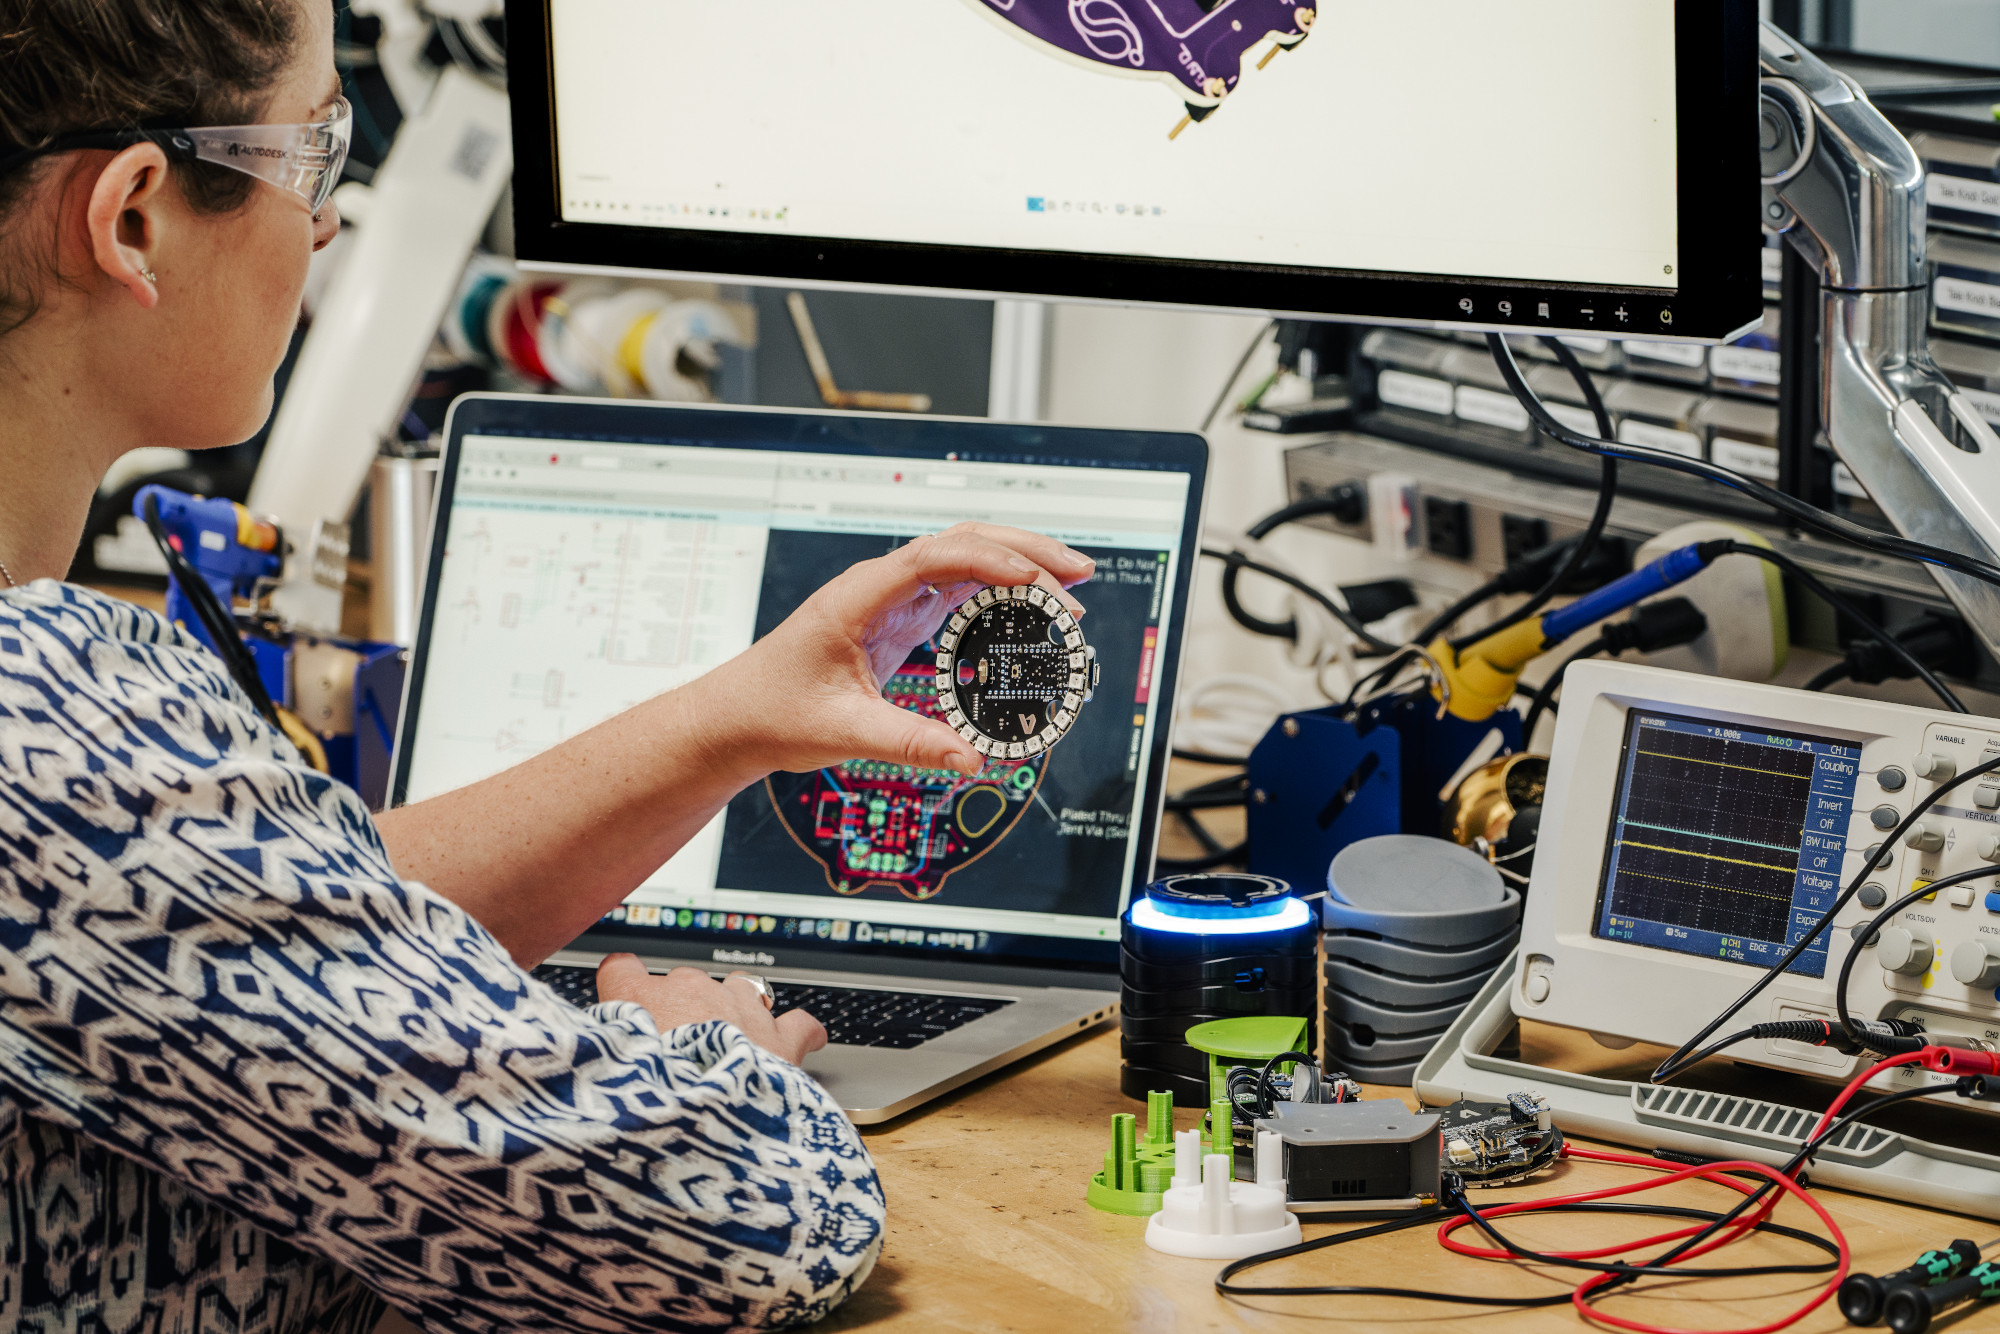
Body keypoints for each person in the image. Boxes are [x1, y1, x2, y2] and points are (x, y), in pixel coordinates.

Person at [0, 2, 1094, 1330]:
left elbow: (235, 925)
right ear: (131, 220)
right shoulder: (49, 718)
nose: (331, 222)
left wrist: (727, 723)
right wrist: (724, 1064)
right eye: (317, 156)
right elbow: (728, 1235)